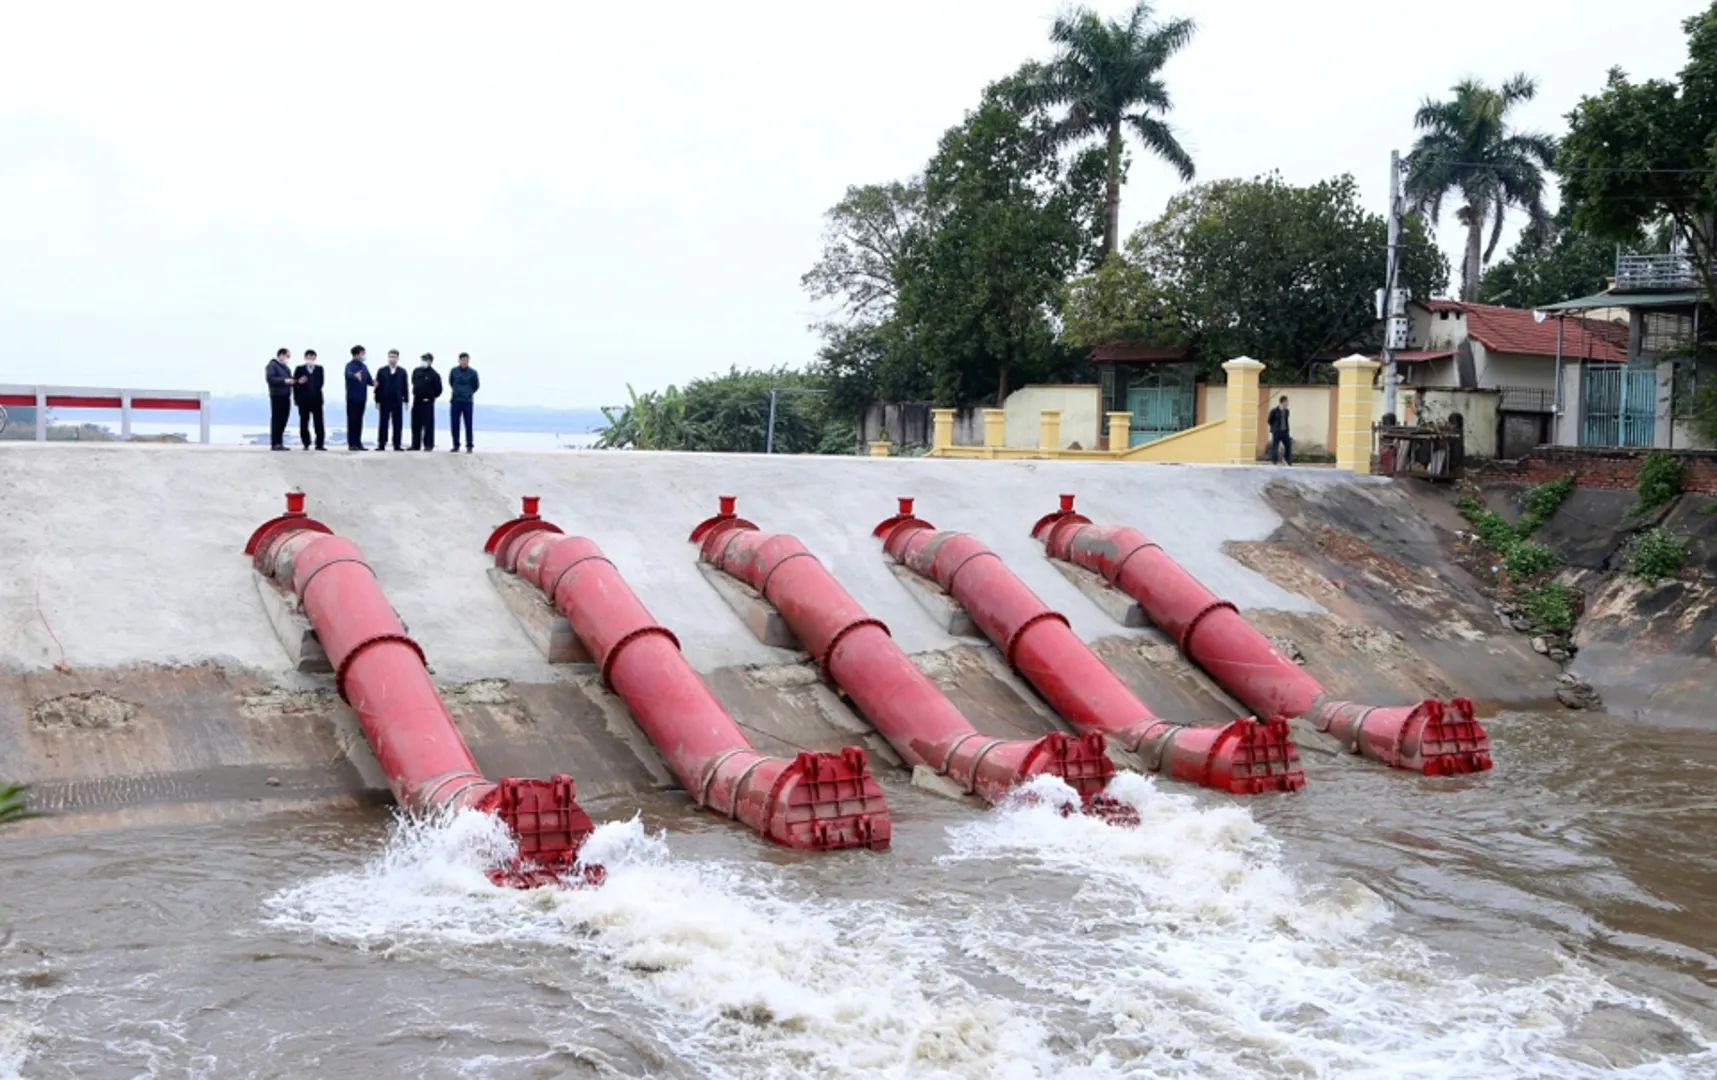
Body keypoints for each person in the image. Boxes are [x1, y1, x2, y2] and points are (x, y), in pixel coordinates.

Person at [293, 349, 327, 450]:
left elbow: (321, 383)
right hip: (303, 400)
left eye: (312, 357)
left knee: (319, 422)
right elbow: (295, 384)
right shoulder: (299, 369)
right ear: (305, 358)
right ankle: (306, 443)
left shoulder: (319, 369)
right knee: (304, 422)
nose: (310, 359)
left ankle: (319, 444)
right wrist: (296, 397)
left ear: (315, 358)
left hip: (316, 399)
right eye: (308, 357)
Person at [375, 350, 408, 450]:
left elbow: (405, 387)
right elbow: (377, 387)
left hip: (397, 400)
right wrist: (377, 400)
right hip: (384, 400)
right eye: (390, 356)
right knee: (383, 422)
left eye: (394, 356)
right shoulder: (382, 371)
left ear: (398, 358)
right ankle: (381, 444)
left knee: (397, 423)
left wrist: (406, 400)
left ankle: (397, 444)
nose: (392, 358)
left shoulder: (402, 372)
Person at [409, 352, 443, 450]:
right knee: (415, 423)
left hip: (427, 402)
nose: (423, 362)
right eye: (422, 359)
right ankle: (415, 444)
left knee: (428, 424)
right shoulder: (416, 371)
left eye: (425, 360)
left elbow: (438, 389)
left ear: (430, 361)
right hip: (417, 400)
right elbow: (413, 382)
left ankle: (428, 445)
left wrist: (431, 397)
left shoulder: (434, 374)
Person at [448, 352, 479, 452]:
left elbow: (476, 385)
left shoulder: (473, 373)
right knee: (455, 424)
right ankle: (456, 444)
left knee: (468, 424)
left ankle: (469, 445)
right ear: (459, 360)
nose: (464, 362)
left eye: (466, 360)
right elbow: (451, 382)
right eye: (462, 360)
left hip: (467, 401)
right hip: (456, 400)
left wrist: (469, 393)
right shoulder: (454, 371)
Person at [344, 346, 374, 450]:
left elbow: (369, 380)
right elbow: (348, 374)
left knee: (359, 421)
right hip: (352, 398)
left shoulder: (364, 366)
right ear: (356, 354)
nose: (364, 356)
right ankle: (352, 444)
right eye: (362, 354)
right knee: (352, 420)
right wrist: (355, 376)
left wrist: (376, 382)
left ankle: (358, 442)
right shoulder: (349, 365)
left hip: (362, 398)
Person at [265, 348, 295, 451]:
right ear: (281, 355)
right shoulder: (272, 366)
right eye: (287, 356)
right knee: (277, 419)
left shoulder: (286, 368)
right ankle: (275, 443)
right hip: (277, 395)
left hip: (286, 396)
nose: (288, 359)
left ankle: (280, 442)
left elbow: (291, 379)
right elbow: (270, 379)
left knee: (283, 419)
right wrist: (284, 381)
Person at [1267, 394, 1293, 466]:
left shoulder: (1287, 411)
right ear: (1283, 402)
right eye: (1286, 402)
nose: (1287, 403)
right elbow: (1269, 420)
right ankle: (1274, 461)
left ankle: (1286, 459)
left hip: (1285, 431)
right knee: (1275, 446)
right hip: (1277, 431)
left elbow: (1286, 420)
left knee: (1288, 445)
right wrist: (1274, 428)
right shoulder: (1274, 411)